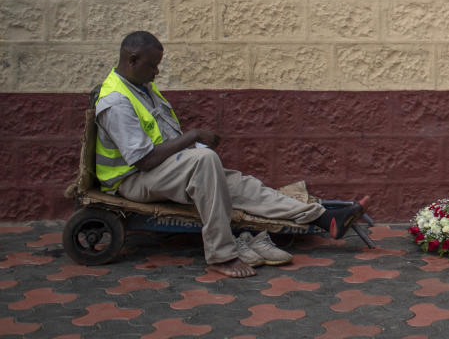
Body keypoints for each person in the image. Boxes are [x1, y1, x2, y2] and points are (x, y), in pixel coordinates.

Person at [94, 31, 365, 278]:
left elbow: (162, 141)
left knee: (239, 184)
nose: (156, 71)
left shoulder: (141, 88)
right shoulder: (116, 101)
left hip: (161, 170)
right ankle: (221, 255)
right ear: (132, 59)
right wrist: (194, 137)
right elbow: (144, 160)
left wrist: (191, 147)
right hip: (132, 180)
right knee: (205, 160)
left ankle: (321, 216)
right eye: (152, 65)